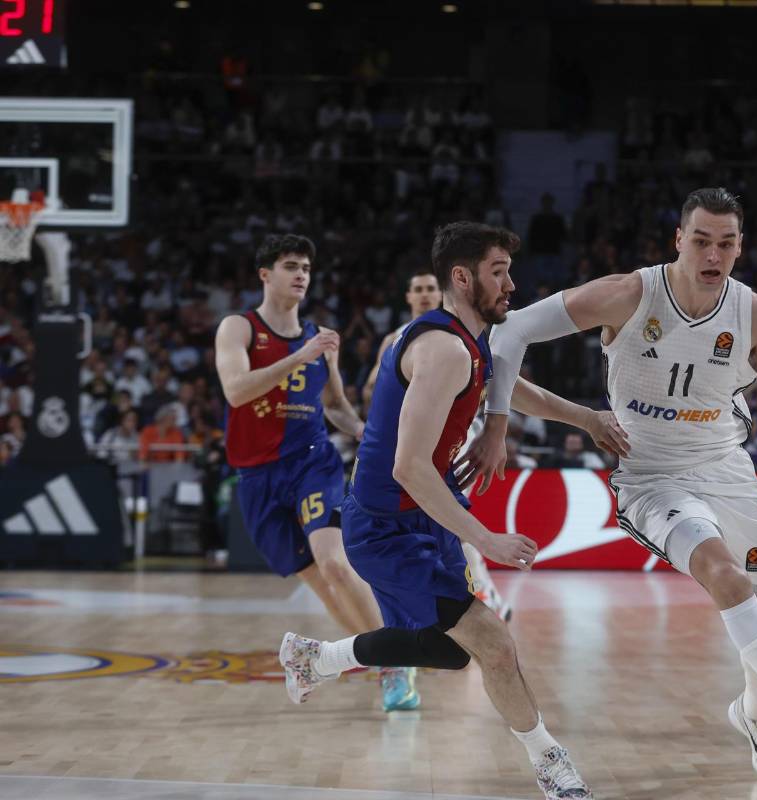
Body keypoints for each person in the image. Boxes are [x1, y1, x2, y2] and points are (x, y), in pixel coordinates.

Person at [470, 188, 757, 783]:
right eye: (701, 240)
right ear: (678, 239)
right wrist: (501, 424)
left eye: (725, 242)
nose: (712, 253)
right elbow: (506, 336)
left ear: (740, 248)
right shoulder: (627, 294)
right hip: (650, 476)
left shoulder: (756, 314)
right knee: (726, 576)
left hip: (727, 470)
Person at [279, 222, 622, 800]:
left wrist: (586, 418)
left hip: (426, 514)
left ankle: (316, 659)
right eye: (498, 271)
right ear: (461, 278)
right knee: (493, 642)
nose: (511, 283)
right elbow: (408, 467)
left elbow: (508, 387)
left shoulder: (471, 338)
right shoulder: (440, 350)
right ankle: (551, 762)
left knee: (446, 651)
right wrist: (484, 539)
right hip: (388, 526)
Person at [214, 234, 413, 712]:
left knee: (335, 564)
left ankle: (396, 662)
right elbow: (236, 392)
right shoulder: (238, 328)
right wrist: (297, 357)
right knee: (320, 583)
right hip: (256, 477)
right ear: (266, 275)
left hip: (310, 460)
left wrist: (374, 438)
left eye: (305, 266)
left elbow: (336, 406)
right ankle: (372, 655)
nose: (301, 274)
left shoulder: (319, 338)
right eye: (289, 265)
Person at [365, 269, 515, 624]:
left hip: (454, 436)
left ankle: (480, 593)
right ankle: (464, 597)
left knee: (451, 518)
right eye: (416, 288)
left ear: (439, 292)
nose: (423, 294)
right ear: (408, 297)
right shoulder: (397, 338)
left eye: (429, 288)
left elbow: (495, 383)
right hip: (412, 440)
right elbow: (372, 389)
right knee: (442, 521)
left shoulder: (460, 337)